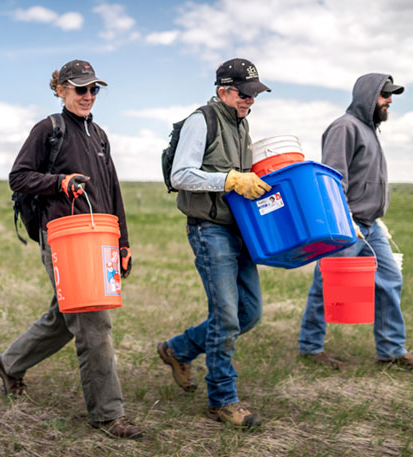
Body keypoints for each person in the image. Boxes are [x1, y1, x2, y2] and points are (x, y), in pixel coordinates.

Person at [0, 59, 142, 439]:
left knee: (65, 314)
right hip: (64, 237)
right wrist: (60, 182)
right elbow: (19, 177)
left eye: (94, 89)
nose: (88, 96)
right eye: (80, 89)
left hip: (100, 238)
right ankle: (108, 414)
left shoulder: (100, 134)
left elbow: (113, 191)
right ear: (60, 89)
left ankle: (9, 364)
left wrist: (122, 242)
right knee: (93, 320)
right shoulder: (48, 129)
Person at [156, 58, 272, 428]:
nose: (250, 101)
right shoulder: (200, 120)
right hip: (209, 229)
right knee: (225, 314)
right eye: (244, 94)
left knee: (248, 313)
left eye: (254, 95)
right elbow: (182, 174)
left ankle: (178, 349)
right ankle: (223, 399)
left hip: (240, 229)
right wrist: (231, 181)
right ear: (223, 90)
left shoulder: (242, 123)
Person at [298, 73, 412, 370]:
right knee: (328, 284)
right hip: (346, 224)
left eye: (391, 96)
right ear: (367, 94)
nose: (389, 101)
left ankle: (391, 350)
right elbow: (332, 180)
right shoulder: (345, 127)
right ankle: (310, 347)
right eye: (385, 94)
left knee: (389, 279)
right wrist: (344, 220)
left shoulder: (369, 129)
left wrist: (376, 220)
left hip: (371, 226)